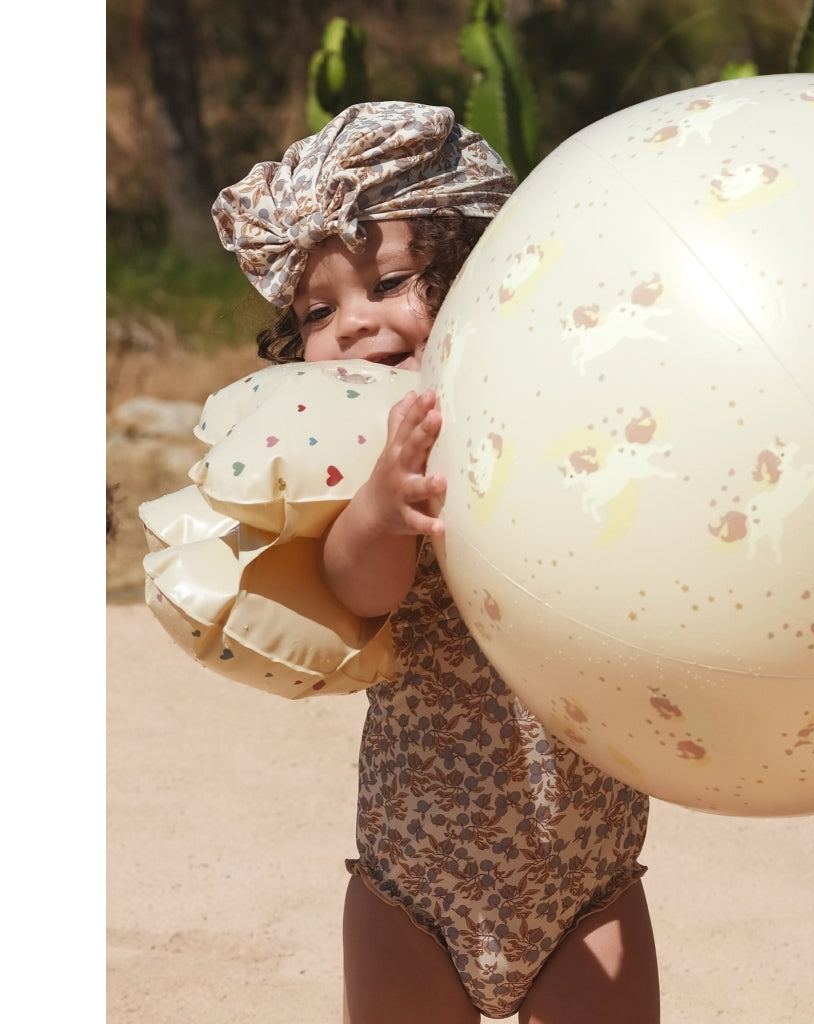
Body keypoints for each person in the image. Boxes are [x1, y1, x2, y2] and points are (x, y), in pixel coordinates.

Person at [210, 101, 660, 1024]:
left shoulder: (551, 423)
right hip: (411, 890)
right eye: (319, 309)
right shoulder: (355, 469)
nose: (355, 324)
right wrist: (382, 509)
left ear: (475, 270)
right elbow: (352, 588)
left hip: (588, 882)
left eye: (392, 282)